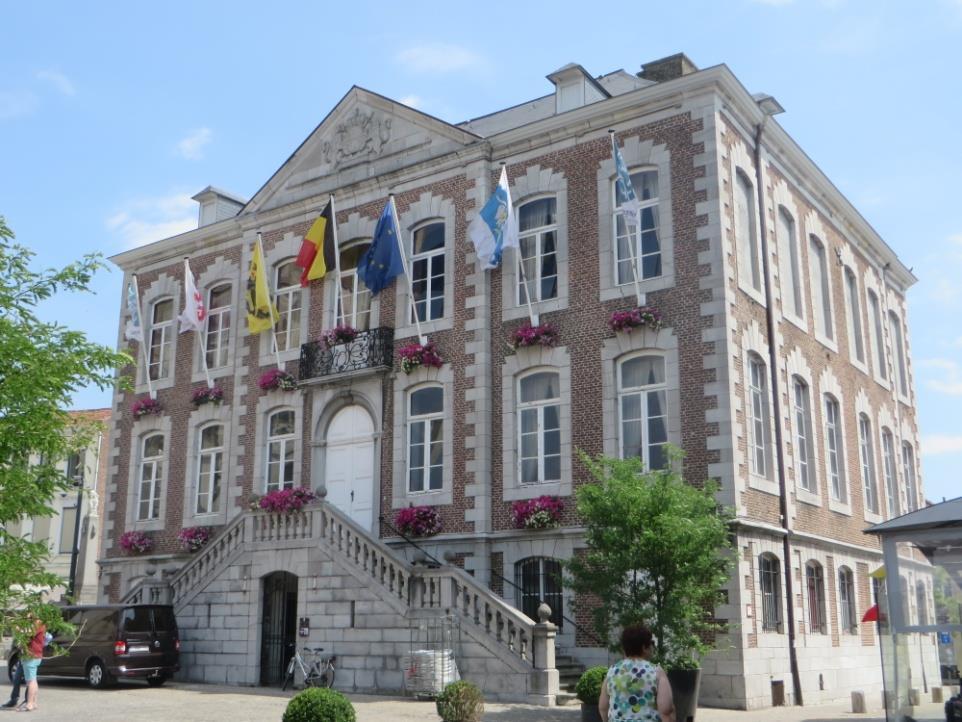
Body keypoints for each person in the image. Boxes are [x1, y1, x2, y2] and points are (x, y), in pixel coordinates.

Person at [599, 624, 675, 722]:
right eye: (651, 643)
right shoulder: (656, 671)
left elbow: (603, 707)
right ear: (644, 647)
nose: (652, 648)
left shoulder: (612, 671)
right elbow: (666, 710)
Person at [17, 619, 46, 712]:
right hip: (33, 656)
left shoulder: (38, 623)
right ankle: (33, 702)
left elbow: (29, 633)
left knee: (31, 681)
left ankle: (29, 704)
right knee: (33, 679)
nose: (28, 614)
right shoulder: (39, 623)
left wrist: (18, 629)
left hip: (31, 656)